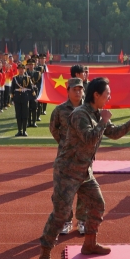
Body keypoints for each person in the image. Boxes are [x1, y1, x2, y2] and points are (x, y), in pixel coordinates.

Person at [37, 78, 130, 259]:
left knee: (97, 204)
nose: (109, 97)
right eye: (107, 94)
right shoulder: (79, 114)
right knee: (60, 215)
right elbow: (89, 137)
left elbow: (113, 133)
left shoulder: (95, 113)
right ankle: (44, 256)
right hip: (67, 171)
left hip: (84, 172)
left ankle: (90, 244)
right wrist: (103, 121)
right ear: (96, 95)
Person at [48, 77, 87, 235]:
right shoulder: (59, 110)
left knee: (84, 190)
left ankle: (83, 220)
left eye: (80, 89)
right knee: (63, 191)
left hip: (84, 157)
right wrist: (64, 143)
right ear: (68, 91)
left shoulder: (90, 109)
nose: (78, 92)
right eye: (74, 89)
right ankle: (66, 220)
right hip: (65, 158)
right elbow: (53, 128)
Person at [12, 64, 34, 136]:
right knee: (18, 115)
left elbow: (31, 89)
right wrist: (12, 99)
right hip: (17, 98)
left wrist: (31, 98)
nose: (21, 70)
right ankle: (19, 130)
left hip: (25, 98)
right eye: (20, 69)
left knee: (25, 114)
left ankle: (24, 130)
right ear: (18, 70)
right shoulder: (15, 78)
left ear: (24, 70)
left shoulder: (27, 78)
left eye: (22, 69)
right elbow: (12, 89)